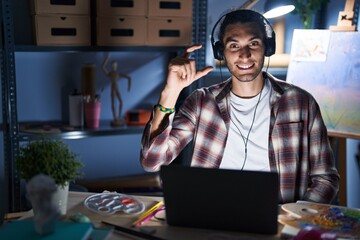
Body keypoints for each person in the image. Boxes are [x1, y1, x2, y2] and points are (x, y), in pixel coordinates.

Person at [140, 9, 339, 204]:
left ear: (267, 48)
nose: (244, 55)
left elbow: (325, 179)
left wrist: (291, 220)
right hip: (212, 215)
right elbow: (152, 162)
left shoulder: (301, 102)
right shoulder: (201, 102)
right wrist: (170, 92)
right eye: (234, 46)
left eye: (253, 43)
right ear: (221, 53)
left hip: (280, 223)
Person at [102, 53, 132, 126]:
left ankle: (119, 116)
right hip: (113, 88)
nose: (114, 66)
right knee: (113, 104)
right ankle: (115, 117)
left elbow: (129, 78)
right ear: (112, 66)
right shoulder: (110, 74)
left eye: (115, 65)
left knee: (120, 102)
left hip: (116, 88)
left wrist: (129, 86)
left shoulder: (118, 73)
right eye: (113, 65)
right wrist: (107, 58)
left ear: (116, 66)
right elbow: (103, 67)